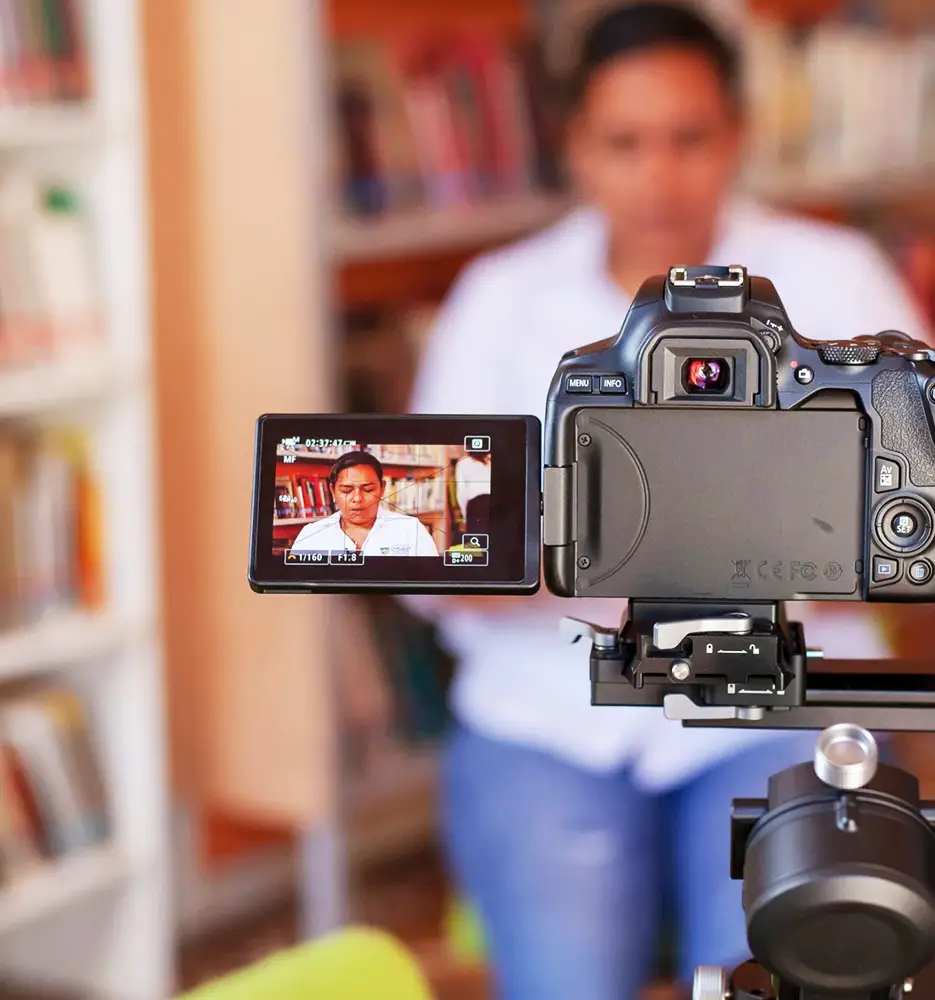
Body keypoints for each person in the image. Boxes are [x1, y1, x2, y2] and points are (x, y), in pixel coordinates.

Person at [407, 4, 931, 999]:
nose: (657, 176)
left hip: (777, 704)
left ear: (736, 135)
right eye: (623, 143)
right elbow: (427, 565)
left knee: (787, 971)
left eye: (688, 140)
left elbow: (916, 510)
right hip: (544, 714)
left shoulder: (834, 276)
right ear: (574, 149)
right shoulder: (497, 298)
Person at [291, 450, 439, 556]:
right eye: (346, 490)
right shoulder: (311, 535)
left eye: (367, 490)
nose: (357, 498)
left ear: (382, 489)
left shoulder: (412, 530)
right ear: (332, 490)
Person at [455, 449, 492, 536]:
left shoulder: (463, 463)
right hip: (493, 503)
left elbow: (461, 492)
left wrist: (464, 516)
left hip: (475, 506)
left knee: (476, 543)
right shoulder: (490, 460)